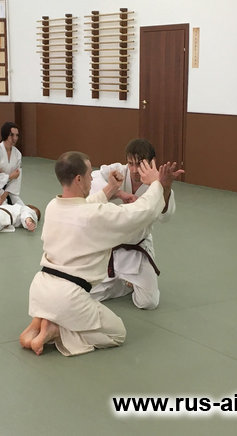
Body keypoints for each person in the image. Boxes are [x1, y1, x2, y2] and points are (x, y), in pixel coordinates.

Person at [19, 151, 184, 357]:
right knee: (117, 333)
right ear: (78, 179)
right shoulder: (95, 215)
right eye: (89, 174)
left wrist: (110, 189)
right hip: (68, 297)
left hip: (40, 289)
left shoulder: (53, 206)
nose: (92, 178)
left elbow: (83, 206)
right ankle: (56, 329)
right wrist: (157, 183)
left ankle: (42, 320)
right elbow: (142, 211)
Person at [89, 139, 177, 309]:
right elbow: (94, 179)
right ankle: (123, 283)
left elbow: (165, 217)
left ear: (152, 162)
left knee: (148, 302)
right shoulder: (118, 171)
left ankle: (128, 280)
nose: (135, 170)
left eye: (140, 163)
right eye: (131, 163)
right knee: (89, 294)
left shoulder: (158, 183)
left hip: (137, 247)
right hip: (110, 246)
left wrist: (164, 187)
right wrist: (118, 192)